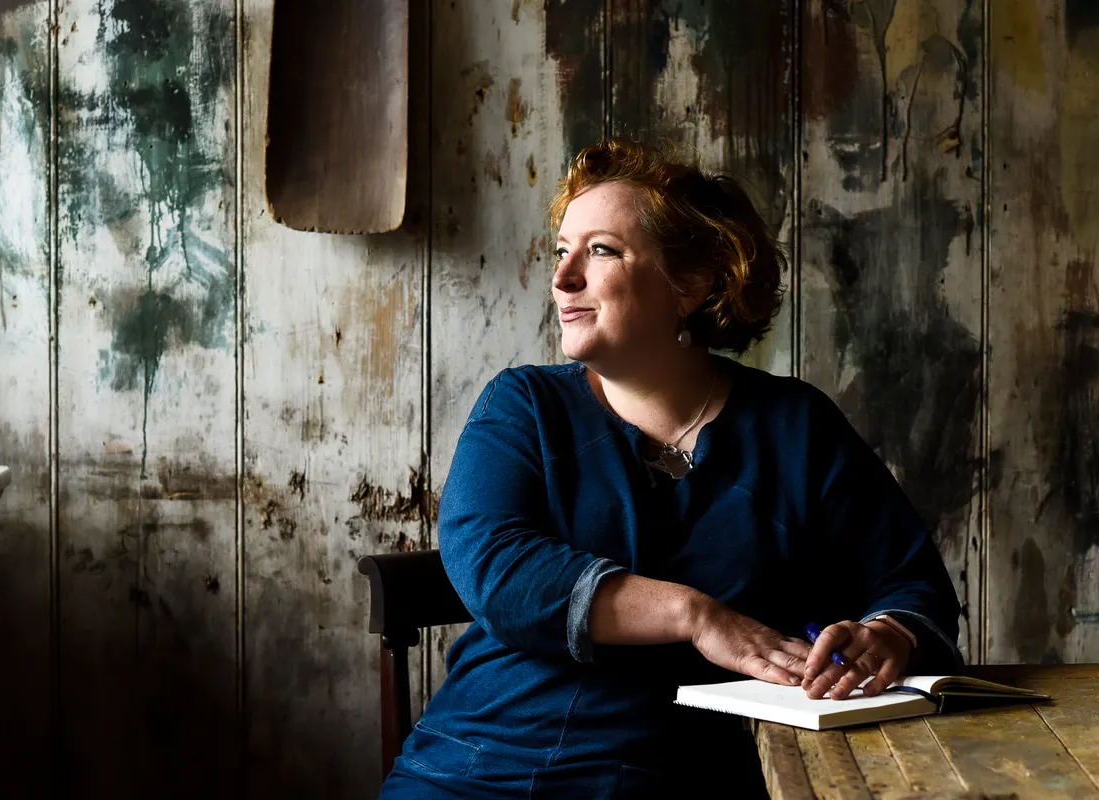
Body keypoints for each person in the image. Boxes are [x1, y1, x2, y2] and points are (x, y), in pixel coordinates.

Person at [378, 139, 962, 798]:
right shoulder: (525, 406)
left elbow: (911, 585)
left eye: (601, 251)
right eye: (561, 251)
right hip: (480, 767)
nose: (563, 277)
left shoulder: (796, 427)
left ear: (693, 284)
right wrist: (697, 616)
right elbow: (495, 566)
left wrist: (887, 635)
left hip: (678, 778)